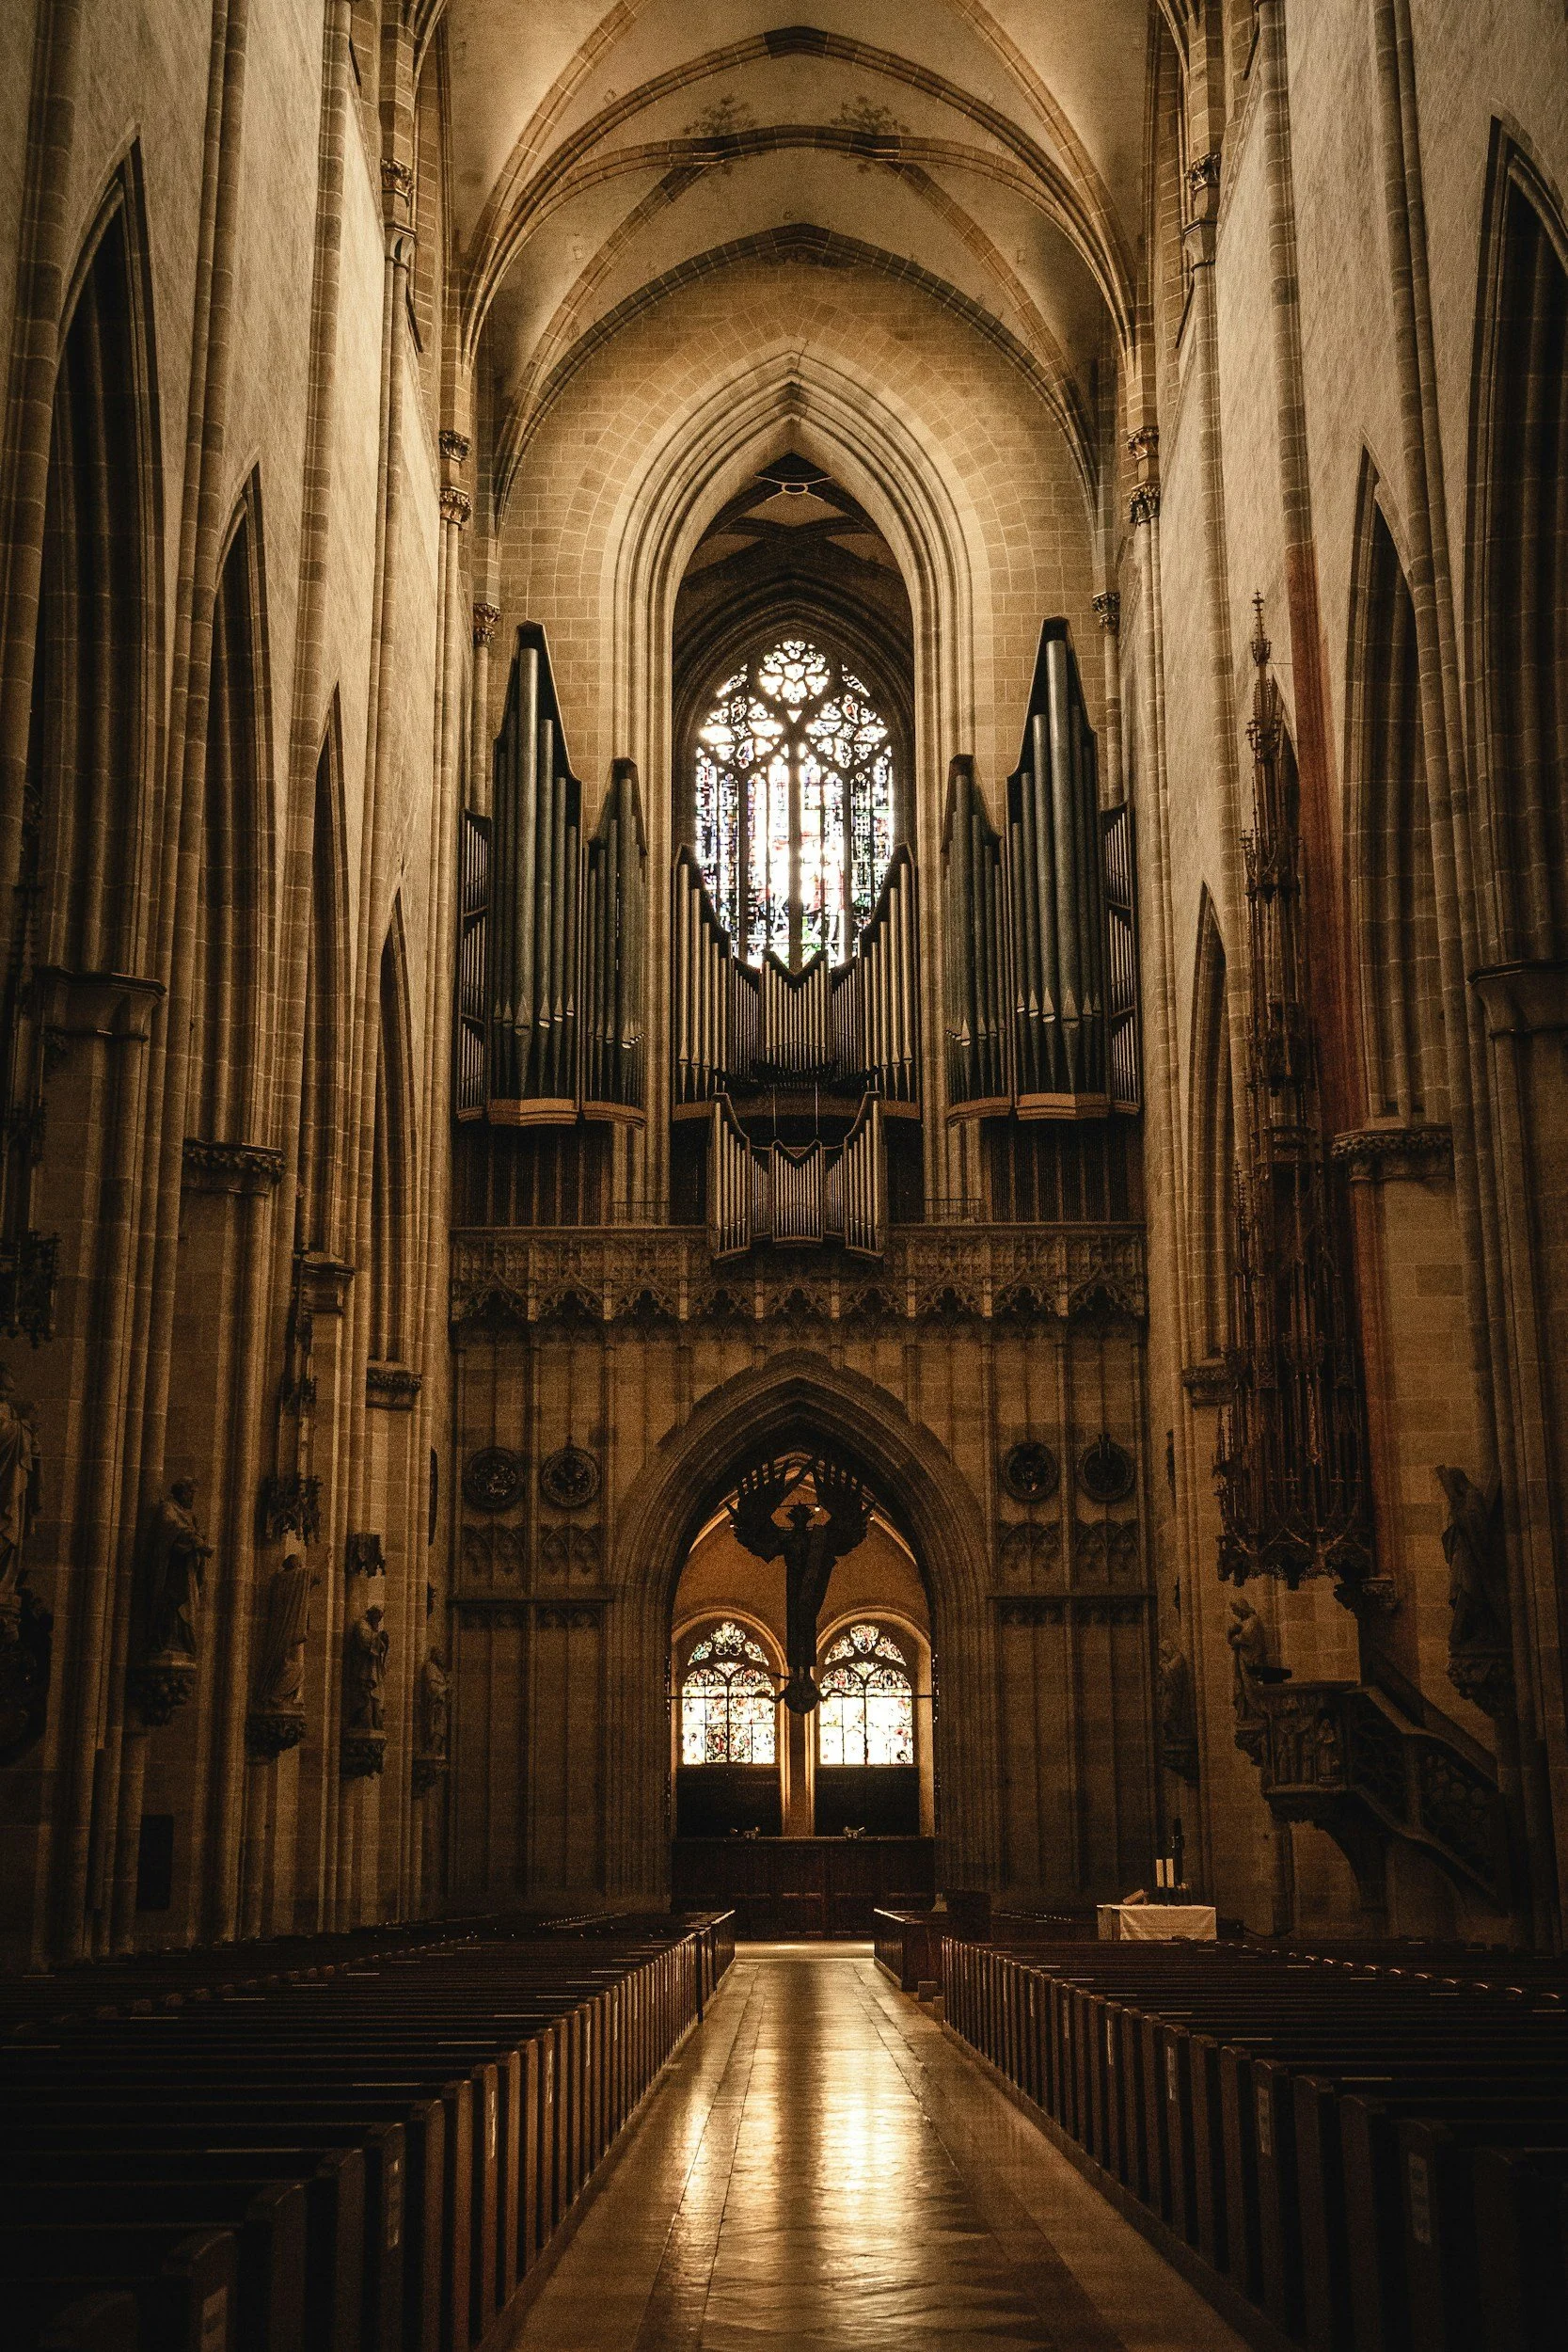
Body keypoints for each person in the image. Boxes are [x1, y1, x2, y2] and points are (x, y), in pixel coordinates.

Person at [145, 1480, 212, 1661]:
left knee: (185, 1605)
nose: (192, 1497)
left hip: (186, 1571)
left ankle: (181, 1642)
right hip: (171, 1571)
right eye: (190, 1493)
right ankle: (166, 1640)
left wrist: (198, 1539)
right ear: (180, 1492)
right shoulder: (168, 1509)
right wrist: (191, 1537)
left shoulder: (189, 1515)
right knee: (172, 1604)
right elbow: (168, 1530)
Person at [0, 1365, 41, 1623]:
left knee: (11, 1529)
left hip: (10, 1487)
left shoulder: (10, 1413)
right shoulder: (10, 1419)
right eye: (5, 1388)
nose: (8, 1393)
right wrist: (23, 1427)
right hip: (4, 1486)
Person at [254, 1552, 317, 1714]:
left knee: (289, 1663)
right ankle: (277, 1695)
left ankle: (278, 1695)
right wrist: (326, 1559)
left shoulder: (281, 1579)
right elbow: (312, 1574)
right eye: (301, 1564)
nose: (303, 1567)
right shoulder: (292, 1578)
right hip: (284, 1626)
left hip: (279, 1627)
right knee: (289, 1664)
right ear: (296, 1566)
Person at [344, 1603, 389, 1731]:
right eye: (377, 1618)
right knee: (365, 1696)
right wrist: (378, 1637)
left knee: (374, 1697)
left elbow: (379, 1647)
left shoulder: (371, 1628)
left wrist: (383, 1640)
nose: (378, 1621)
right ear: (371, 1614)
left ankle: (373, 1724)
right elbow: (364, 1642)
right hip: (363, 1670)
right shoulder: (362, 1625)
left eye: (380, 1619)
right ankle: (364, 1723)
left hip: (372, 1669)